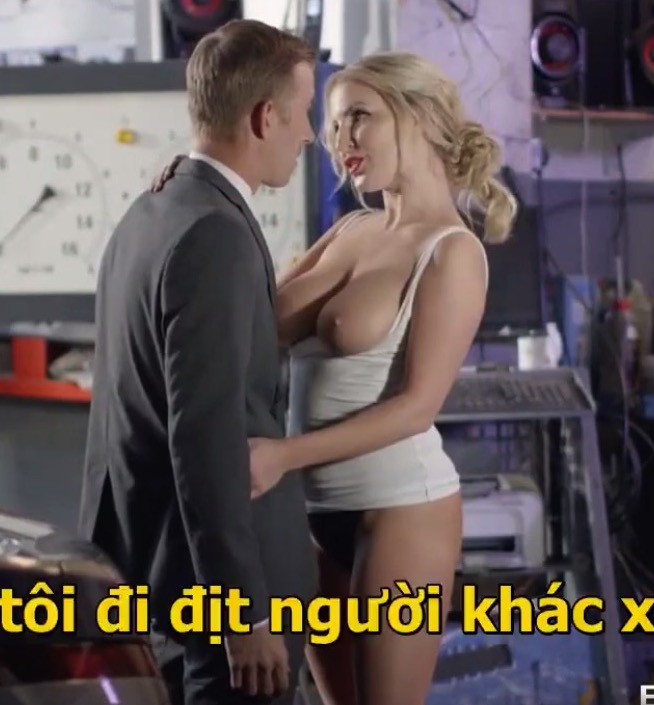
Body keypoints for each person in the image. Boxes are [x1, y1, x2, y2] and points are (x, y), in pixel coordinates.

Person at [152, 51, 518, 705]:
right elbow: (250, 315)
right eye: (333, 123)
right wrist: (190, 194)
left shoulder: (452, 251)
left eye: (359, 117)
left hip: (400, 510)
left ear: (417, 116)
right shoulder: (351, 229)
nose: (340, 139)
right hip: (316, 515)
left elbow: (417, 407)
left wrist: (284, 455)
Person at [77, 19, 320, 705]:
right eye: (303, 114)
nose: (309, 135)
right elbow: (205, 435)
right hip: (215, 598)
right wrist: (242, 612)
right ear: (264, 117)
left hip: (153, 572)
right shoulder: (215, 233)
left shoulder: (149, 211)